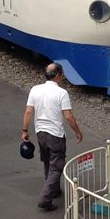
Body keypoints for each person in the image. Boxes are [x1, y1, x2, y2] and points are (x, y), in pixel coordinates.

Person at [21, 62, 83, 211]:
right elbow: (68, 116)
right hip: (55, 135)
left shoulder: (35, 89)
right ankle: (45, 198)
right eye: (62, 74)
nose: (63, 77)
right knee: (57, 167)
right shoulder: (62, 93)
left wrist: (24, 130)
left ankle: (54, 190)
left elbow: (29, 112)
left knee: (47, 162)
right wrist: (77, 132)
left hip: (40, 133)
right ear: (58, 76)